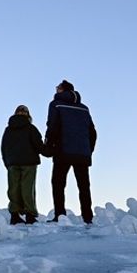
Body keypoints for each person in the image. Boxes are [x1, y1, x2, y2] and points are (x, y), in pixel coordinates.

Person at [45, 80, 98, 224]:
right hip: (82, 154)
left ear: (63, 90)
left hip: (63, 151)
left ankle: (60, 216)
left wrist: (49, 146)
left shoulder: (56, 104)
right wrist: (88, 150)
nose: (56, 89)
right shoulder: (84, 108)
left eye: (57, 87)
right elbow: (92, 132)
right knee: (84, 186)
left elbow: (52, 126)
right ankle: (88, 217)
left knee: (58, 183)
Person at [0, 104, 46, 225]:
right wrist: (51, 151)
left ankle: (14, 215)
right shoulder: (31, 128)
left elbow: (3, 147)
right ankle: (30, 215)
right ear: (28, 115)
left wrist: (7, 162)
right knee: (27, 188)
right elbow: (39, 145)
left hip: (12, 163)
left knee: (13, 188)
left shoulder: (8, 129)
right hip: (29, 162)